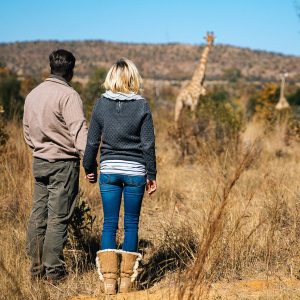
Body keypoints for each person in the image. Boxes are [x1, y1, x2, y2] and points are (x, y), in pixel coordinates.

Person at [83, 58, 157, 294]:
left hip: (109, 171)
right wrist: (151, 173)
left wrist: (89, 167)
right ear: (133, 78)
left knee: (109, 224)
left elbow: (93, 140)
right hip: (136, 171)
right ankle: (127, 282)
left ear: (111, 77)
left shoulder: (101, 104)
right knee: (131, 224)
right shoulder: (142, 105)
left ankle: (109, 282)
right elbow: (148, 144)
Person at [23, 49, 88, 282]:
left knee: (38, 214)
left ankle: (36, 270)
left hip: (39, 161)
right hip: (63, 163)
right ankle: (54, 273)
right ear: (71, 71)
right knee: (58, 217)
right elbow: (79, 133)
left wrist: (39, 149)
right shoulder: (69, 96)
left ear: (51, 68)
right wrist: (90, 163)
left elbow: (27, 133)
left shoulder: (33, 94)